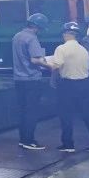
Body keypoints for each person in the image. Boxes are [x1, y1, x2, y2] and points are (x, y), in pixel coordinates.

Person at [44, 21, 89, 153]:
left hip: (68, 85)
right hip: (84, 84)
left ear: (65, 34)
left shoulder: (61, 48)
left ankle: (68, 144)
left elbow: (56, 66)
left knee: (66, 114)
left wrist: (44, 62)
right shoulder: (83, 50)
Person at [12, 13, 52, 150]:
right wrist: (50, 65)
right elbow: (35, 59)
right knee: (31, 111)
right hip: (31, 80)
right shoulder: (32, 38)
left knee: (22, 110)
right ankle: (29, 141)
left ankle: (23, 139)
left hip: (19, 79)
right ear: (38, 27)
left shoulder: (17, 36)